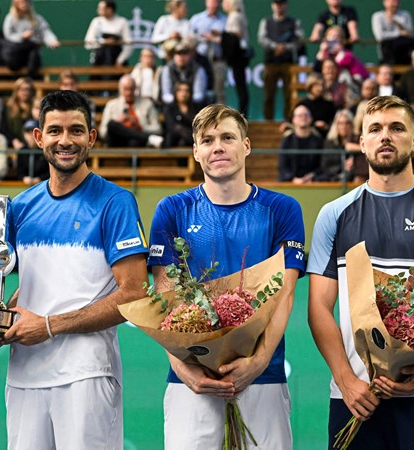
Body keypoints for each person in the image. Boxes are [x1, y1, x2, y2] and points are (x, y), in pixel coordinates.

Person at [307, 94, 414, 450]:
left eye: (396, 128)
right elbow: (319, 308)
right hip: (356, 397)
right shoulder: (334, 214)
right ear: (361, 142)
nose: (385, 136)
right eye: (375, 129)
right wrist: (345, 380)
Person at [0, 89, 149, 449]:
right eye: (56, 130)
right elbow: (34, 285)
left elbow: (134, 294)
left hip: (86, 374)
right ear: (39, 137)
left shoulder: (116, 202)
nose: (66, 140)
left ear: (91, 137)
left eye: (76, 130)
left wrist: (48, 326)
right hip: (24, 374)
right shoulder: (21, 206)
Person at [148, 103, 305, 449]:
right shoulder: (172, 210)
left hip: (263, 377)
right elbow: (164, 297)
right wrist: (183, 368)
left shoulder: (282, 209)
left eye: (228, 137)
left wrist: (259, 361)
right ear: (196, 151)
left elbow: (286, 294)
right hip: (190, 380)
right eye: (207, 140)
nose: (217, 146)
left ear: (246, 146)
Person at [258, 0, 304, 121]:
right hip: (271, 63)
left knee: (289, 94)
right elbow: (262, 38)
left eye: (281, 4)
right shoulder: (266, 22)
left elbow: (299, 40)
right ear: (272, 6)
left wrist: (285, 47)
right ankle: (268, 121)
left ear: (286, 5)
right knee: (268, 94)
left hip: (288, 63)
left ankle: (289, 120)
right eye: (276, 4)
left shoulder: (294, 22)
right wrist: (275, 46)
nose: (279, 7)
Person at [1, 0, 61, 79]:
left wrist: (52, 40)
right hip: (17, 54)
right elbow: (8, 35)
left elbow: (45, 31)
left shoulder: (36, 18)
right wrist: (21, 36)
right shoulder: (10, 18)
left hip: (32, 54)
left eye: (25, 2)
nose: (23, 4)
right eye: (20, 2)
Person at [100, 74, 163, 148]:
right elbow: (103, 132)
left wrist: (140, 126)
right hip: (116, 141)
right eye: (126, 89)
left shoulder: (147, 104)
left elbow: (158, 129)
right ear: (120, 89)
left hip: (136, 141)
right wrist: (118, 123)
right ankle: (148, 138)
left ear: (135, 89)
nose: (129, 93)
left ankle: (141, 137)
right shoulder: (111, 105)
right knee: (111, 124)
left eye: (131, 89)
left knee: (133, 142)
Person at [189, 0, 227, 104]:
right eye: (211, 1)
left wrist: (216, 38)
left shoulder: (225, 20)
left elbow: (229, 40)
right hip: (199, 59)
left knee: (218, 91)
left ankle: (220, 118)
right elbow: (190, 39)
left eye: (216, 2)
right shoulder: (196, 19)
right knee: (198, 89)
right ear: (206, 2)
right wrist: (203, 38)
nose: (214, 4)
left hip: (217, 59)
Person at [278, 104, 325, 183]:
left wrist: (313, 176)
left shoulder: (318, 141)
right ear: (293, 119)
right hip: (291, 183)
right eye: (300, 115)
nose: (303, 118)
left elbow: (322, 165)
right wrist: (293, 179)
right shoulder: (287, 141)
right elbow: (283, 166)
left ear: (311, 119)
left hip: (314, 182)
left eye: (306, 115)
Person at [221, 0, 250, 117]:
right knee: (241, 85)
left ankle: (243, 113)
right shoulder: (238, 15)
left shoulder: (234, 17)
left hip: (238, 57)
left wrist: (222, 37)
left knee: (241, 86)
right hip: (239, 57)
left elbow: (236, 35)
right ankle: (243, 112)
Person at [84, 1, 133, 69]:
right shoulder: (96, 21)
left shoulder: (122, 22)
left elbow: (129, 43)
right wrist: (103, 42)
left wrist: (120, 60)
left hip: (117, 61)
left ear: (109, 9)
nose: (98, 10)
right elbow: (88, 43)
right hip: (99, 60)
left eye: (101, 8)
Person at [159, 40, 208, 107]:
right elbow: (166, 95)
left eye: (184, 53)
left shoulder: (198, 69)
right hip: (173, 105)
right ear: (174, 56)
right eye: (178, 53)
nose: (181, 57)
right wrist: (179, 99)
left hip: (193, 105)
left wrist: (185, 99)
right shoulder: (168, 68)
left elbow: (199, 95)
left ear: (190, 55)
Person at [371, 0, 414, 65]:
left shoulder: (405, 15)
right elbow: (380, 36)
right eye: (392, 1)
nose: (395, 4)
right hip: (388, 54)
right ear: (384, 3)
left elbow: (409, 33)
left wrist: (396, 22)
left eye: (397, 1)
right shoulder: (377, 16)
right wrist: (399, 33)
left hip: (405, 54)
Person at [163, 81, 200, 147]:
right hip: (173, 141)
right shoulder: (169, 108)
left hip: (190, 142)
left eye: (187, 90)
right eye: (180, 90)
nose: (184, 93)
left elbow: (197, 126)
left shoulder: (196, 108)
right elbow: (171, 126)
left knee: (183, 141)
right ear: (175, 93)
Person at [3, 76, 35, 152]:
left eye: (28, 89)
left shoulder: (36, 108)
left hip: (34, 143)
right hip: (13, 143)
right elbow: (4, 128)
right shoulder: (8, 108)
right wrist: (13, 140)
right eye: (22, 89)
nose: (25, 92)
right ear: (16, 91)